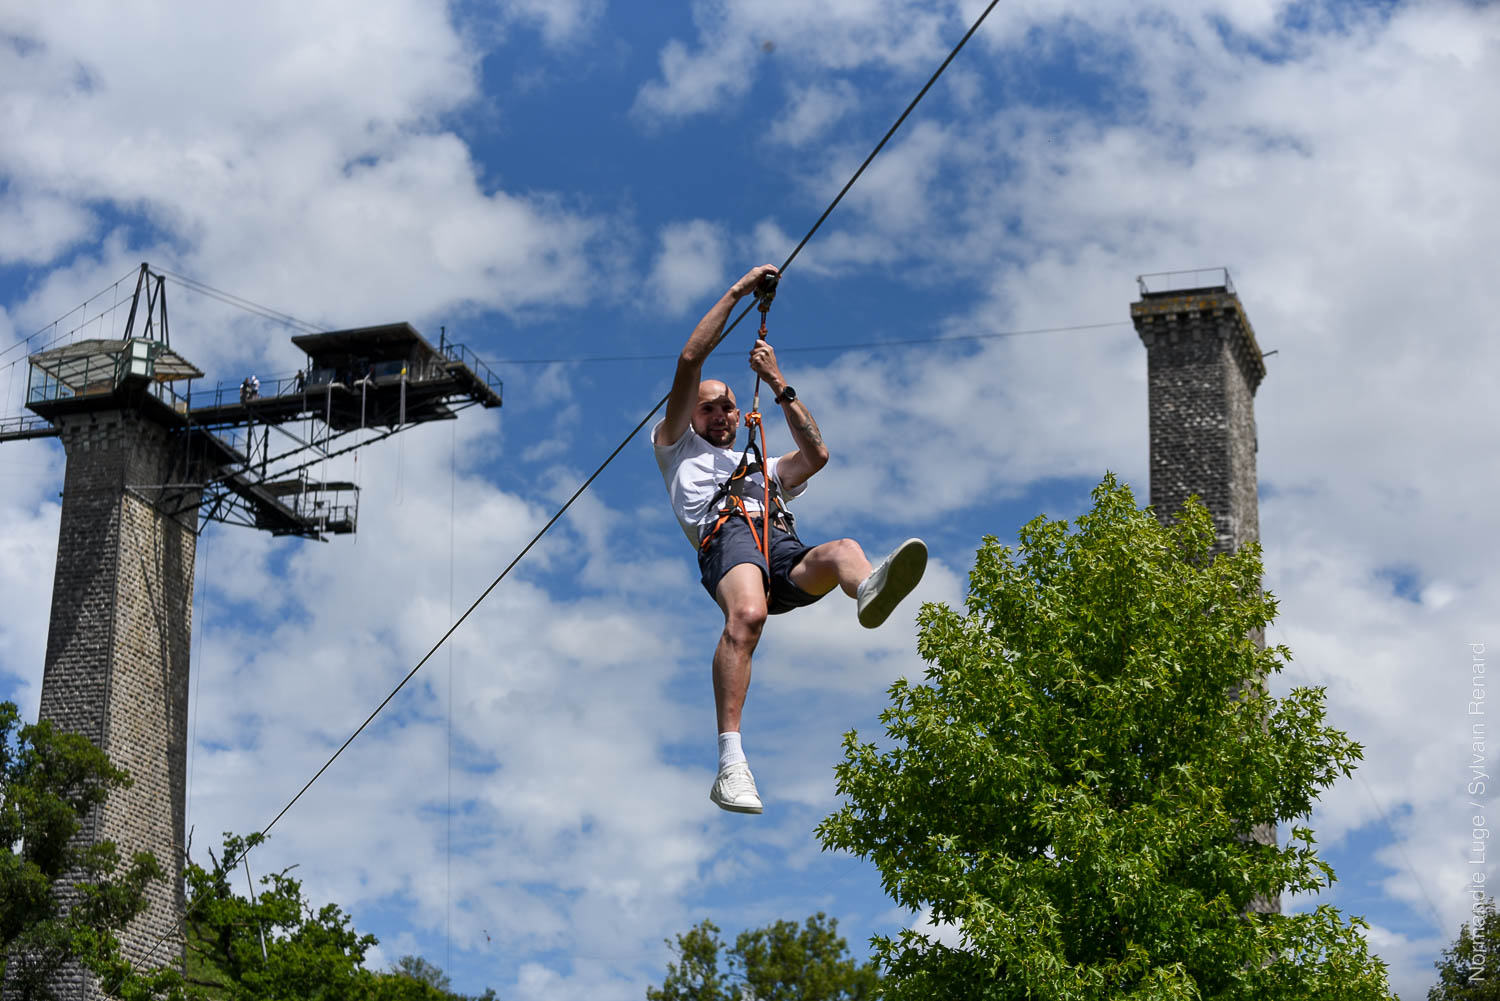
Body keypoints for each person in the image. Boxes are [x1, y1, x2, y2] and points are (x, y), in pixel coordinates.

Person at [652, 263, 927, 814]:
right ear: (693, 415)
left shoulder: (762, 466)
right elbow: (690, 360)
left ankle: (867, 590)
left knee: (845, 551)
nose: (720, 413)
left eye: (727, 405)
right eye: (708, 407)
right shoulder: (675, 446)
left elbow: (816, 456)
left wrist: (778, 383)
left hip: (776, 544)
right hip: (727, 539)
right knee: (747, 616)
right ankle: (731, 763)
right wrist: (738, 292)